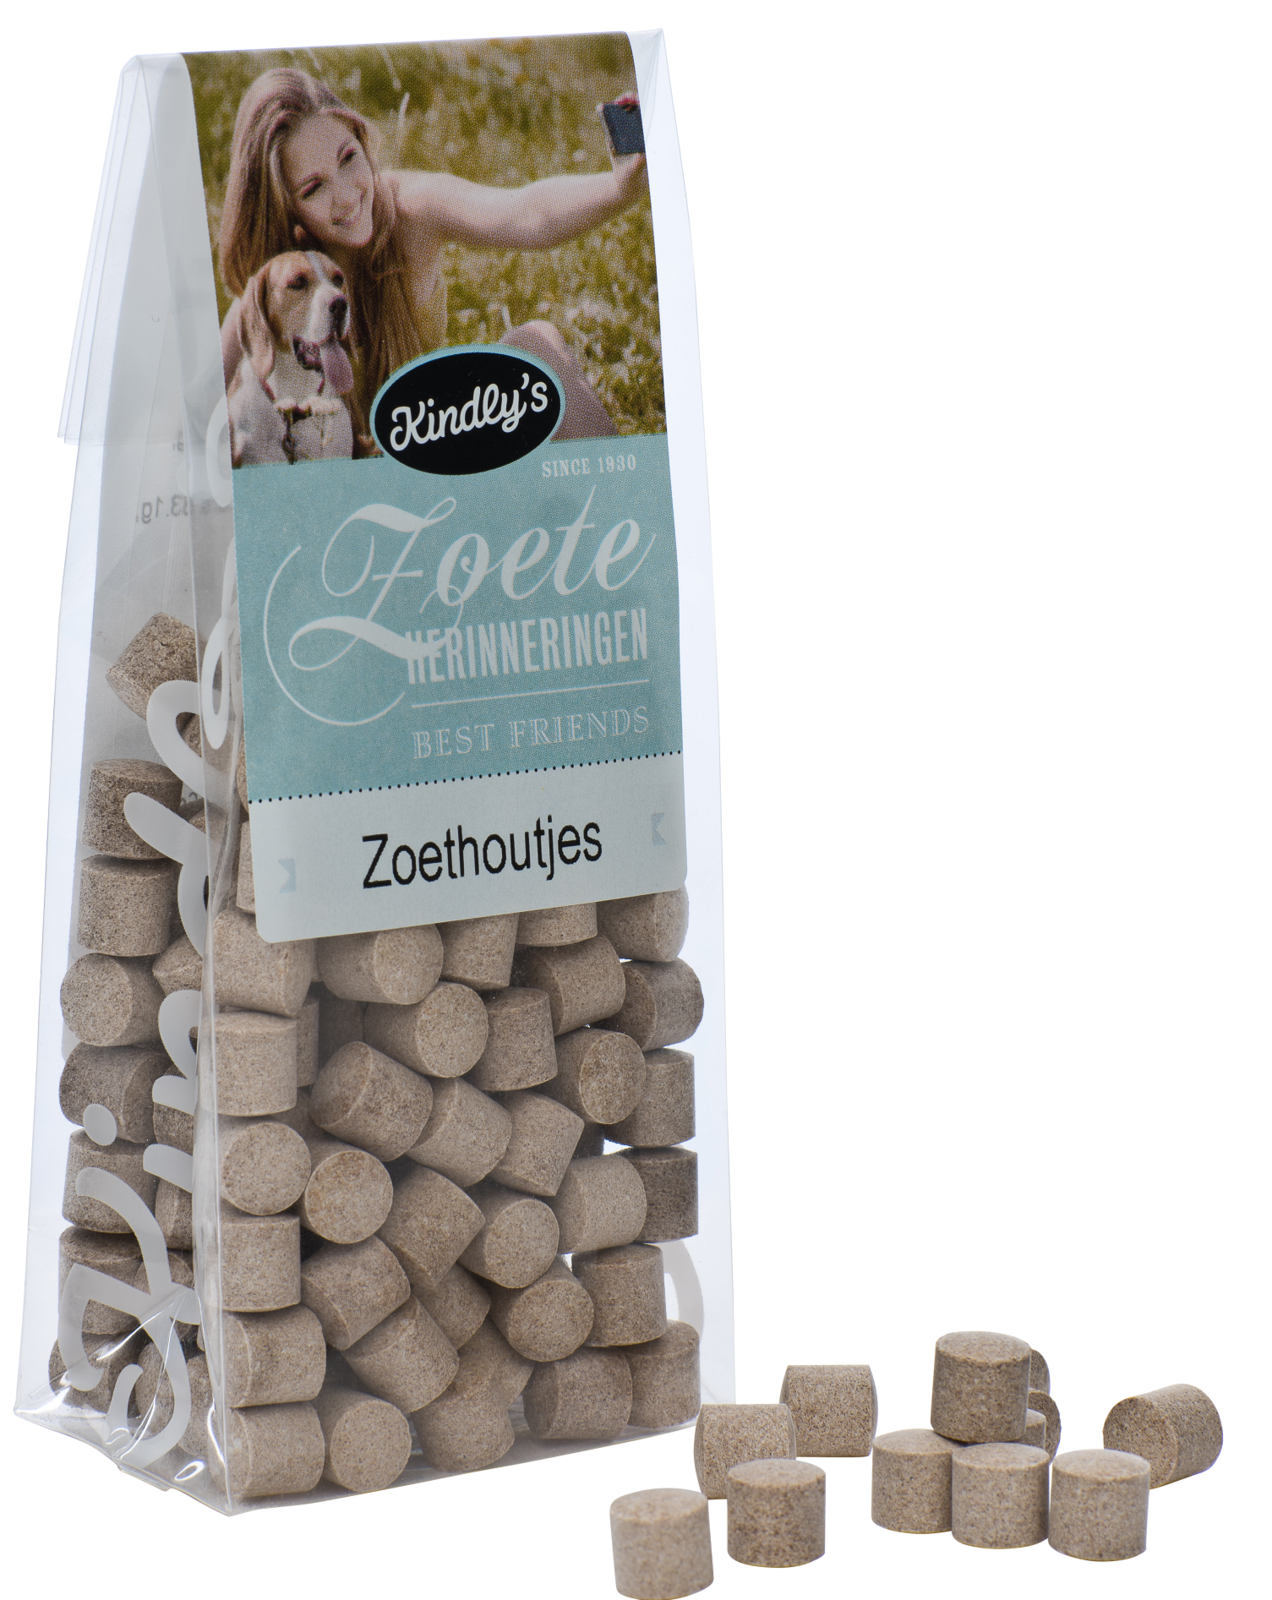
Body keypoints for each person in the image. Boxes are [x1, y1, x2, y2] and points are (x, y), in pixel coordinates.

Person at [217, 67, 648, 443]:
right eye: (314, 188)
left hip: (428, 448)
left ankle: (629, 508)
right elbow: (203, 407)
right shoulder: (278, 284)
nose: (347, 196)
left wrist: (619, 188)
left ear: (361, 139)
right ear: (286, 207)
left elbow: (525, 214)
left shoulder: (408, 208)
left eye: (348, 158)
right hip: (338, 485)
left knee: (535, 344)